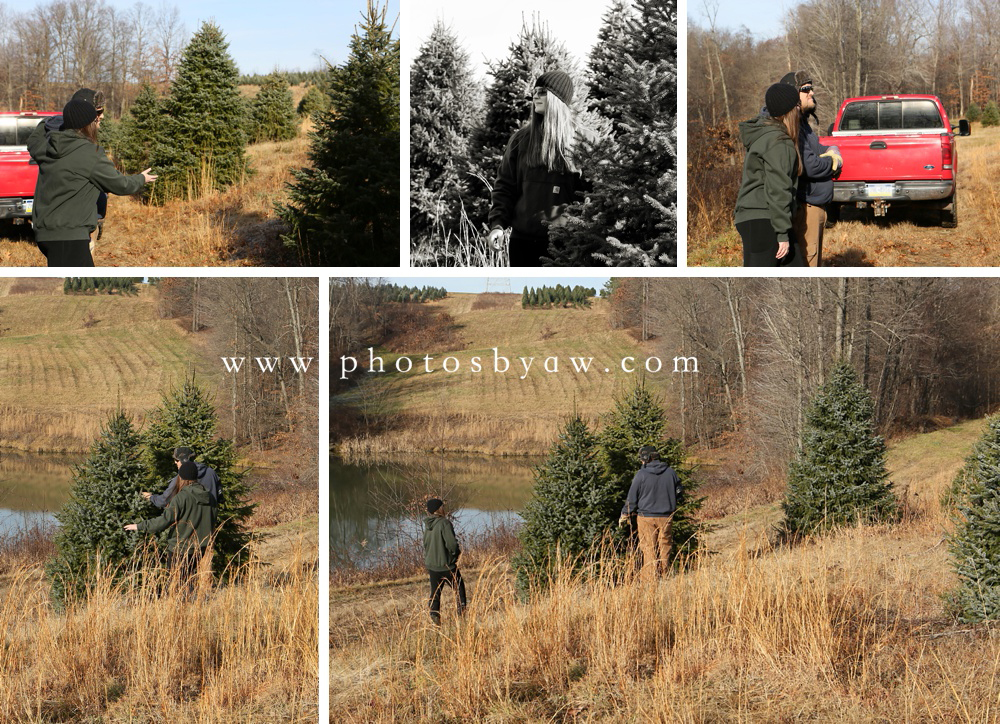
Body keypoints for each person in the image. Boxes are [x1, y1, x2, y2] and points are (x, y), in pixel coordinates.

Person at [27, 98, 155, 266]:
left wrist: (56, 118)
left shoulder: (46, 146)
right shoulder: (89, 153)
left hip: (45, 235)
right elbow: (120, 184)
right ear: (89, 124)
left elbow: (34, 138)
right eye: (96, 120)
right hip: (69, 237)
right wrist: (141, 178)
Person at [488, 70, 590, 266]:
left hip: (569, 246)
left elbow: (599, 198)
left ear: (558, 100)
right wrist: (498, 226)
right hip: (523, 245)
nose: (535, 95)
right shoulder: (521, 140)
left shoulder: (585, 142)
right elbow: (505, 187)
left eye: (543, 91)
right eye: (535, 91)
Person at [734, 83, 805, 267]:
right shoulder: (778, 142)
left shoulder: (766, 135)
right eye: (797, 105)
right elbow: (778, 188)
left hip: (762, 217)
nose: (799, 109)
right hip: (764, 220)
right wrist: (782, 233)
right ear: (789, 110)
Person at [780, 70, 843, 267]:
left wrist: (833, 152)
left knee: (815, 261)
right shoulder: (791, 125)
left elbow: (823, 149)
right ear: (793, 95)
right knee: (810, 262)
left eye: (811, 88)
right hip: (806, 208)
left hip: (815, 205)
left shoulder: (803, 124)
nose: (812, 93)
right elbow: (810, 165)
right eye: (806, 89)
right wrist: (833, 162)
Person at [125, 461, 216, 584]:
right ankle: (191, 602)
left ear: (182, 477)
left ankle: (178, 602)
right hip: (200, 548)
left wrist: (139, 526)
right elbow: (212, 519)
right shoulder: (209, 496)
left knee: (174, 583)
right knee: (188, 580)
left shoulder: (181, 497)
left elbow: (164, 520)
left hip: (180, 548)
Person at [619, 445, 682, 581]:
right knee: (665, 546)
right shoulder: (671, 472)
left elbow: (632, 498)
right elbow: (679, 492)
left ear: (646, 458)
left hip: (646, 517)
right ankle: (664, 576)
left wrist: (625, 514)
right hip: (666, 517)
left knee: (648, 547)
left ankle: (650, 579)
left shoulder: (641, 475)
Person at [423, 498, 467, 625]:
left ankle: (434, 615)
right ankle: (461, 614)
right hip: (446, 565)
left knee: (435, 592)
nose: (444, 508)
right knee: (459, 589)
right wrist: (455, 555)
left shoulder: (427, 525)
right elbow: (452, 544)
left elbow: (425, 544)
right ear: (439, 509)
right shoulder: (444, 523)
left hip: (432, 565)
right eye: (442, 506)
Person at [142, 446, 221, 510]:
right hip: (210, 521)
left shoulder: (182, 477)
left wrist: (151, 497)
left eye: (177, 460)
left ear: (184, 460)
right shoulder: (211, 472)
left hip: (190, 523)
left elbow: (164, 500)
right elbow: (220, 496)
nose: (175, 462)